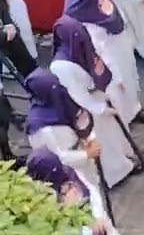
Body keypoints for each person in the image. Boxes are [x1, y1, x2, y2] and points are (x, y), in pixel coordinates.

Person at [47, 17, 138, 188]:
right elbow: (77, 95)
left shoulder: (80, 49)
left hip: (99, 97)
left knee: (114, 135)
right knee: (103, 142)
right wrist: (101, 109)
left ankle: (123, 162)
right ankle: (115, 174)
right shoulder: (61, 66)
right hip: (89, 110)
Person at [24, 69, 116, 224]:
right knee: (85, 202)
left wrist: (89, 137)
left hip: (83, 151)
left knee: (95, 191)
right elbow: (56, 157)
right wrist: (86, 154)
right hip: (71, 169)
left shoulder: (61, 98)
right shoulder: (39, 126)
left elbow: (79, 117)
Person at [61, 0, 144, 126]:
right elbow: (95, 44)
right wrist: (114, 72)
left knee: (129, 77)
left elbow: (115, 10)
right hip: (106, 53)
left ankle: (134, 109)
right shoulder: (77, 11)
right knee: (116, 87)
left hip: (120, 43)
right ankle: (122, 119)